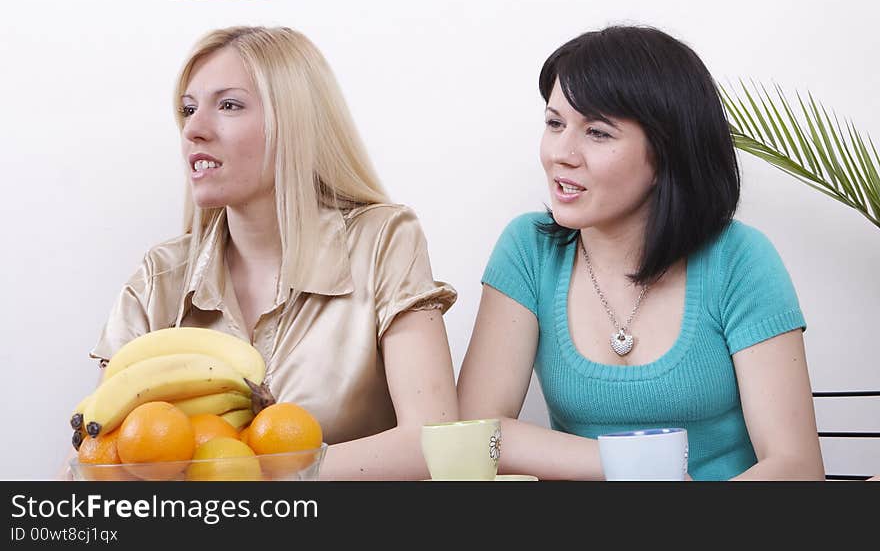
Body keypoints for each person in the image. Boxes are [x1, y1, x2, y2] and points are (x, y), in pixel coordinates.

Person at [73, 26, 459, 480]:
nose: (194, 129)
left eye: (229, 105)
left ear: (293, 122)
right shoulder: (159, 279)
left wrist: (269, 483)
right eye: (189, 109)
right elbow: (96, 460)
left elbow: (436, 440)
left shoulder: (383, 241)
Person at [456, 25, 825, 480]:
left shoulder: (739, 259)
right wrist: (638, 468)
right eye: (555, 124)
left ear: (666, 154)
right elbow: (471, 439)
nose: (561, 154)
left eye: (597, 132)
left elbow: (796, 466)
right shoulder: (529, 249)